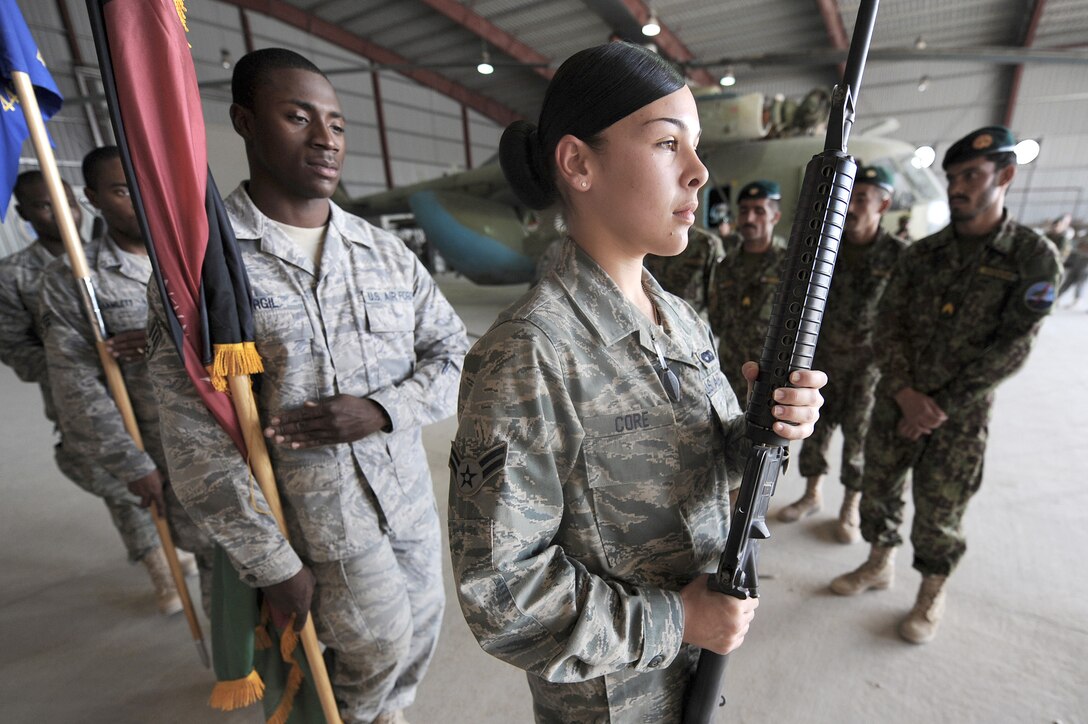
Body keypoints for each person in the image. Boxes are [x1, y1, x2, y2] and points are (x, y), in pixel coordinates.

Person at [448, 42, 826, 722]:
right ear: (578, 163)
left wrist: (767, 428)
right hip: (611, 703)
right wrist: (675, 620)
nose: (699, 173)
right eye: (666, 144)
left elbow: (700, 467)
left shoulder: (677, 317)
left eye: (698, 146)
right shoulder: (528, 353)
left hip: (697, 675)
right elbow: (500, 593)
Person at [145, 49, 468, 724]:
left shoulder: (382, 251)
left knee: (419, 633)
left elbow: (452, 353)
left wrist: (382, 410)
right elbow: (193, 437)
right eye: (297, 116)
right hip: (318, 526)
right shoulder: (206, 273)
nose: (325, 138)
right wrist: (271, 562)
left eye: (338, 125)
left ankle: (386, 714)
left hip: (405, 501)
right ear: (245, 122)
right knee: (369, 650)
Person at [829, 126, 1063, 644]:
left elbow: (1014, 346)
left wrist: (938, 405)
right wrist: (907, 394)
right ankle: (878, 563)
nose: (958, 187)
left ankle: (931, 591)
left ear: (1004, 176)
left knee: (941, 506)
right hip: (899, 398)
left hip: (959, 415)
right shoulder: (921, 255)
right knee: (880, 488)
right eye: (953, 177)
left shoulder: (1031, 257)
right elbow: (887, 325)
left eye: (971, 176)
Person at [36, 151, 212, 615]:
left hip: (236, 437)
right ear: (92, 199)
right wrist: (130, 463)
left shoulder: (201, 255)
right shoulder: (76, 278)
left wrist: (168, 341)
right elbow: (75, 385)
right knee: (216, 564)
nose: (139, 201)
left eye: (146, 188)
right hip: (166, 451)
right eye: (120, 190)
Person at [780, 166, 909, 542]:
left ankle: (850, 506)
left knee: (859, 440)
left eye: (861, 198)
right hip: (824, 361)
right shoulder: (825, 249)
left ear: (883, 204)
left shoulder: (899, 256)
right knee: (814, 434)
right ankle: (811, 494)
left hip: (869, 369)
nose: (850, 205)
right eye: (848, 196)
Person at [707, 179, 788, 403]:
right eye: (744, 211)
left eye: (759, 211)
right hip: (729, 373)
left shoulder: (790, 267)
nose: (749, 218)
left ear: (775, 217)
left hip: (771, 373)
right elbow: (717, 318)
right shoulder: (726, 266)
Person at [643, 223, 724, 314]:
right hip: (655, 317)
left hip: (692, 321)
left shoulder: (707, 243)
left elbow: (717, 298)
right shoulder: (651, 240)